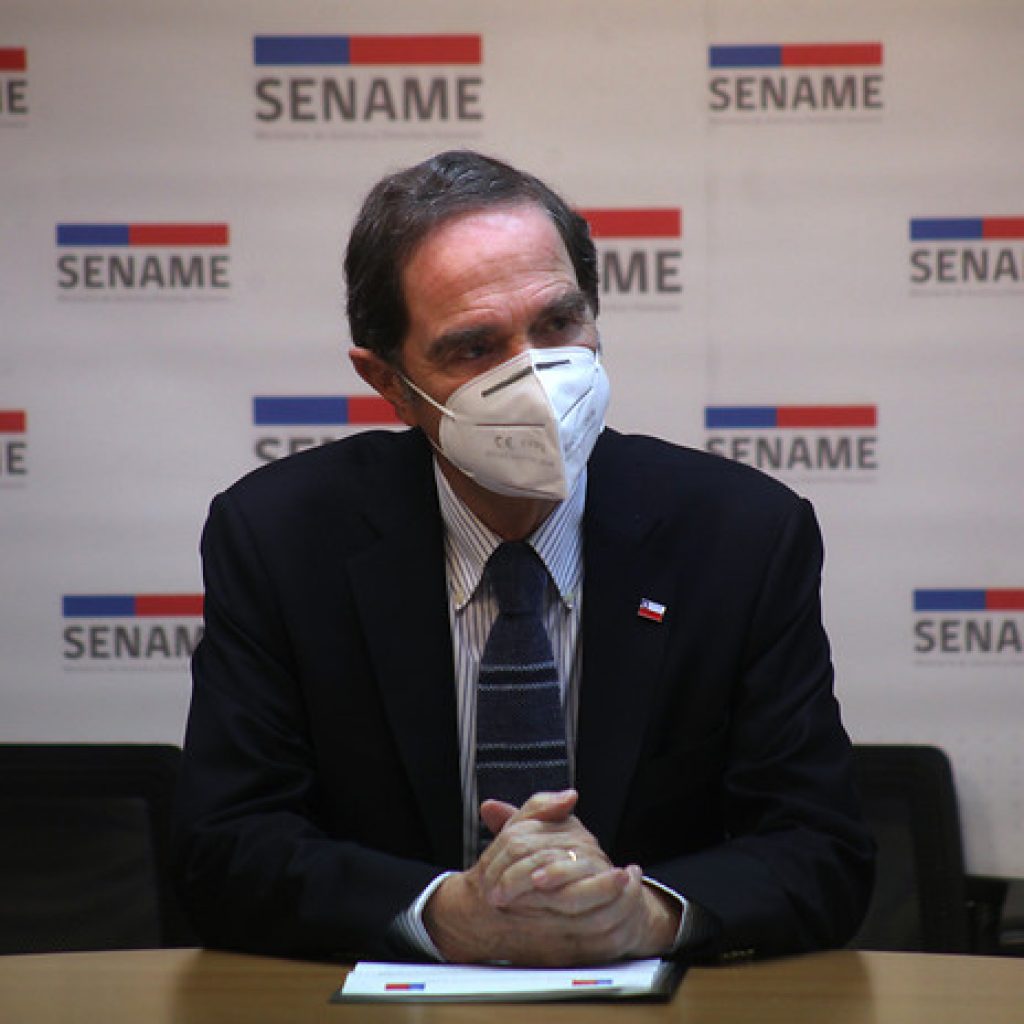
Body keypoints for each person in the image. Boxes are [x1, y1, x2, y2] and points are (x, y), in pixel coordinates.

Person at [172, 150, 873, 966]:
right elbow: (225, 848)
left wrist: (640, 913)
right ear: (389, 383)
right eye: (475, 348)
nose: (535, 379)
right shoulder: (281, 540)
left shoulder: (741, 536)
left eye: (557, 324)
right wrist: (445, 914)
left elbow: (821, 849)